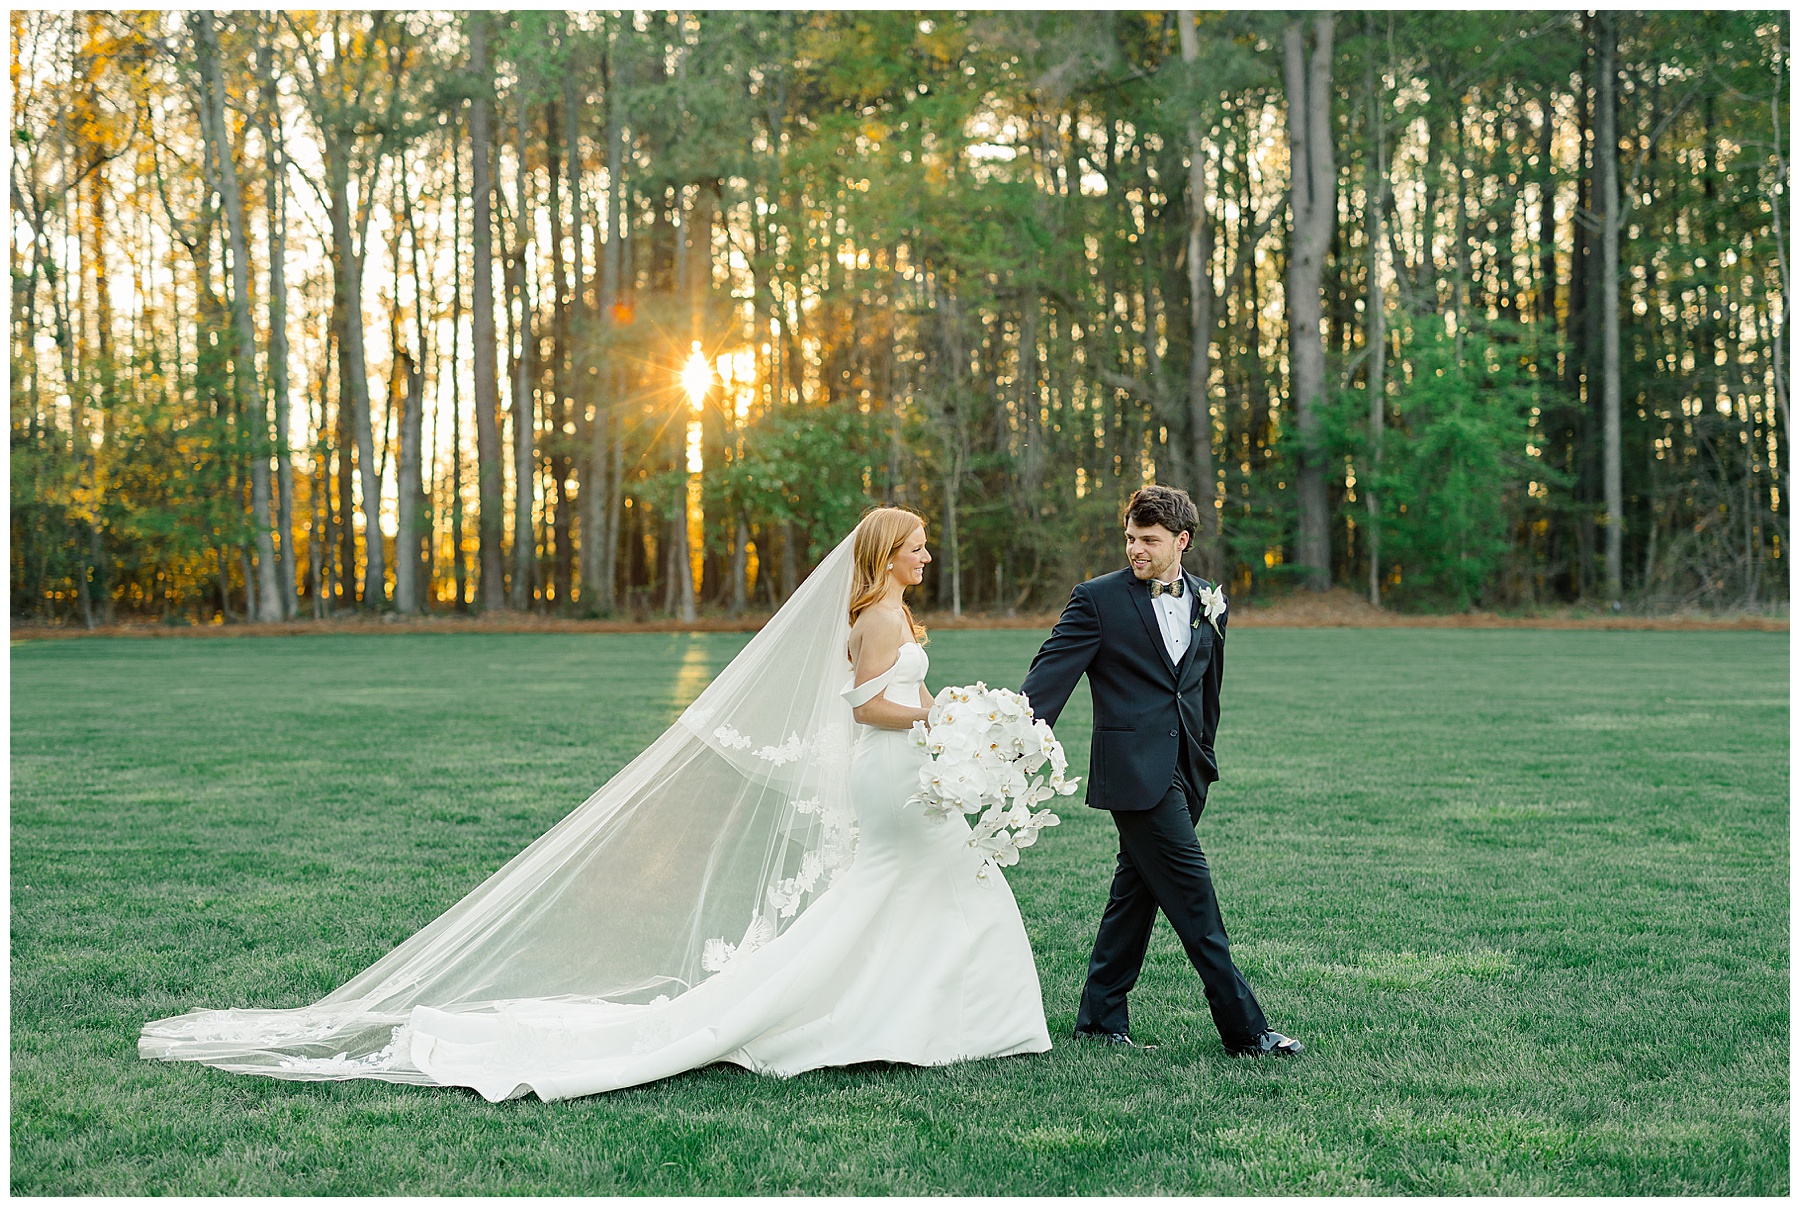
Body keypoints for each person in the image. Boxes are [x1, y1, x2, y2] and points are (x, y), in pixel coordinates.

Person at [140, 506, 1051, 1101]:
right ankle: (904, 1016)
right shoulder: (880, 617)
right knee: (926, 881)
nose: (928, 552)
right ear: (887, 553)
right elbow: (867, 709)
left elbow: (880, 704)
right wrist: (943, 715)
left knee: (911, 887)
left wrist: (939, 721)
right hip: (891, 772)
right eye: (918, 543)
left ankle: (920, 1015)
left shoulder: (885, 614)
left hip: (900, 773)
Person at [1019, 485, 1302, 1057]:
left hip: (1187, 771)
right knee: (1195, 900)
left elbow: (1206, 690)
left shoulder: (1209, 600)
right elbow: (1047, 679)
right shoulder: (1096, 600)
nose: (1135, 549)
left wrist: (1204, 760)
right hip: (1132, 774)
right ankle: (1246, 1031)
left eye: (1149, 540)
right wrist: (1004, 738)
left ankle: (1100, 1020)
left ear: (1182, 540)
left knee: (1135, 894)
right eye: (1130, 538)